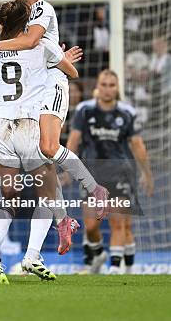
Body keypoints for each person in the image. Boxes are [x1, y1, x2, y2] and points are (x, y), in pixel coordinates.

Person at [0, 0, 108, 254]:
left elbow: (31, 41)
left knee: (49, 147)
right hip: (32, 84)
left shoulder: (42, 10)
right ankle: (63, 220)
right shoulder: (15, 13)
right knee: (44, 162)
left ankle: (94, 189)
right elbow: (22, 41)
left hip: (50, 81)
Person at [0, 0, 79, 285]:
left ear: (0, 25)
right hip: (28, 124)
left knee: (8, 196)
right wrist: (60, 64)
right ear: (27, 24)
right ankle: (32, 255)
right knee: (47, 195)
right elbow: (72, 73)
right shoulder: (42, 45)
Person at [67, 70, 154, 275]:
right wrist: (67, 168)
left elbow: (138, 145)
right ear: (98, 87)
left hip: (120, 173)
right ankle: (98, 253)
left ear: (117, 88)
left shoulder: (127, 113)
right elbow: (73, 142)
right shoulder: (84, 110)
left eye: (112, 85)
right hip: (91, 174)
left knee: (118, 221)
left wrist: (146, 174)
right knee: (90, 226)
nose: (107, 89)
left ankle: (117, 269)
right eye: (104, 85)